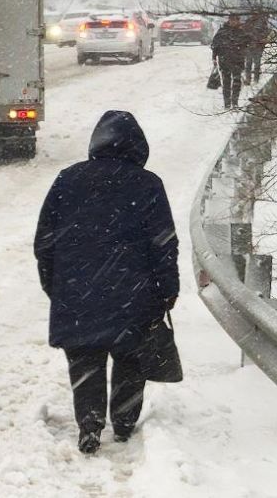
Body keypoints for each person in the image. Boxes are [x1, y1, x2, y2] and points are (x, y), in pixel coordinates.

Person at [34, 111, 179, 455]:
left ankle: (89, 423)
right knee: (130, 359)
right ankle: (124, 424)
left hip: (77, 294)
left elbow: (44, 243)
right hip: (135, 296)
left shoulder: (68, 179)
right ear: (139, 146)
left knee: (85, 360)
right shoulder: (147, 185)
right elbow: (164, 245)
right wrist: (167, 291)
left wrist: (56, 286)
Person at [211, 15, 248, 109]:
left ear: (238, 21)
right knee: (226, 82)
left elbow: (247, 45)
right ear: (229, 21)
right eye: (232, 20)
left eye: (235, 20)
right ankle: (227, 103)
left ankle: (235, 102)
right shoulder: (222, 31)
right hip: (225, 60)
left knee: (237, 82)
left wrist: (244, 52)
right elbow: (215, 45)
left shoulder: (241, 32)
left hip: (238, 61)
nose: (233, 22)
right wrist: (214, 57)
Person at [244, 12, 270, 84]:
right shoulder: (248, 22)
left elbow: (266, 32)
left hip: (258, 46)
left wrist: (260, 39)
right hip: (249, 46)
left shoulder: (262, 22)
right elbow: (244, 33)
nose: (254, 15)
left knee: (257, 64)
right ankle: (248, 79)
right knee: (248, 63)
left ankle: (256, 79)